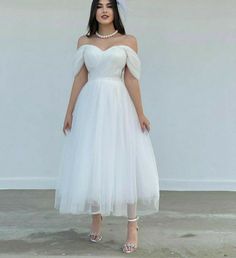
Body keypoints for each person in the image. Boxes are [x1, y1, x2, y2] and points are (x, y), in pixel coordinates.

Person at [54, 0, 160, 254]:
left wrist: (140, 113)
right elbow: (80, 77)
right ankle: (96, 214)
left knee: (124, 160)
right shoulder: (84, 42)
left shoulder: (128, 41)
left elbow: (131, 79)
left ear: (114, 11)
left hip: (118, 105)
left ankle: (132, 225)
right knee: (92, 158)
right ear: (94, 12)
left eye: (109, 5)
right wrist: (69, 111)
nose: (104, 10)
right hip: (91, 105)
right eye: (99, 5)